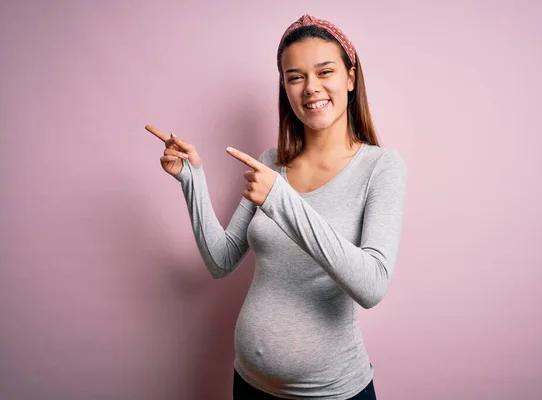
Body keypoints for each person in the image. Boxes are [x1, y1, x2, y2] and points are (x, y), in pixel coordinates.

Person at [146, 13, 407, 400]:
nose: (310, 88)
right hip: (250, 383)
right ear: (284, 86)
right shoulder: (271, 163)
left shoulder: (381, 168)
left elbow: (371, 286)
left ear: (350, 78)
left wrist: (282, 201)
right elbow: (221, 261)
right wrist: (192, 180)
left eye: (325, 72)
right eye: (295, 76)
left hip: (331, 393)